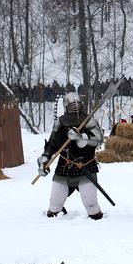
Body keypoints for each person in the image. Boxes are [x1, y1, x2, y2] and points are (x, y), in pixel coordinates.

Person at [37, 92, 106, 220]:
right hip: (64, 167)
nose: (75, 107)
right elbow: (52, 144)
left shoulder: (88, 120)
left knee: (92, 207)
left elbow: (99, 140)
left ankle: (97, 226)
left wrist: (81, 139)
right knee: (54, 207)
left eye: (77, 104)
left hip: (86, 166)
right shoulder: (60, 123)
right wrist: (44, 159)